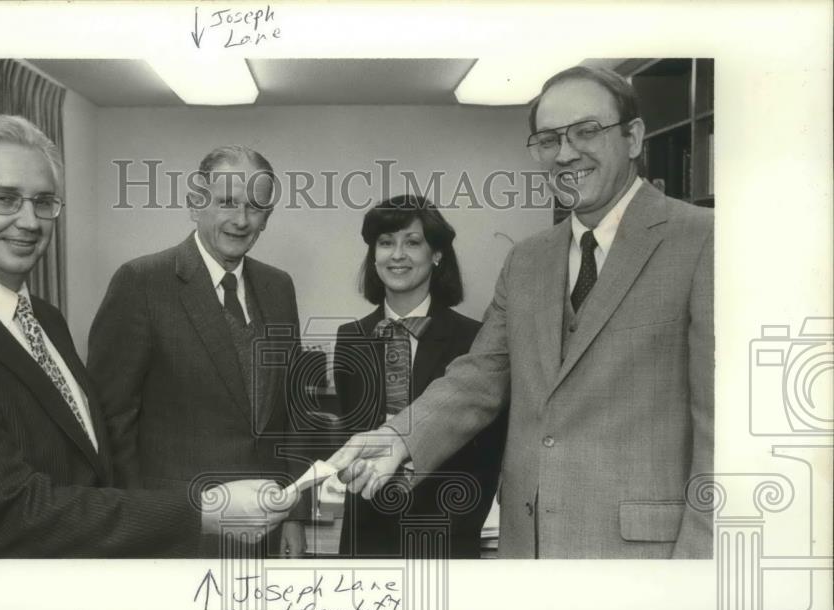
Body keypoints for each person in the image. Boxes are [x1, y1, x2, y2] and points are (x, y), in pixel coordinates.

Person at [332, 66, 714, 559]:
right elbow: (480, 374)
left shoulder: (704, 240)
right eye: (549, 139)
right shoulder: (528, 259)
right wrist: (397, 436)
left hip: (645, 560)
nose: (566, 152)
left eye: (587, 131)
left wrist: (701, 571)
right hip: (528, 553)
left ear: (634, 137)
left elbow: (721, 430)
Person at [0, 115, 293, 558]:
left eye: (44, 201)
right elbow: (10, 510)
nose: (29, 221)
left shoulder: (44, 319)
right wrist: (194, 513)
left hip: (190, 534)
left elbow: (90, 449)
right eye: (4, 199)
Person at [88, 145, 308, 557]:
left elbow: (291, 411)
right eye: (227, 202)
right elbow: (111, 423)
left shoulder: (279, 288)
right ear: (195, 203)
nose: (241, 220)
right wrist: (140, 524)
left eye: (256, 207)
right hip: (177, 533)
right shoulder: (141, 282)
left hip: (266, 529)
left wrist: (294, 513)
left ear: (268, 216)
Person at [334, 196, 504, 558]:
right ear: (373, 255)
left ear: (437, 255)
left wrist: (457, 524)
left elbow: (488, 454)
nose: (397, 255)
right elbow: (352, 433)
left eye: (412, 242)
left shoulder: (477, 340)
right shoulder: (350, 338)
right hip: (366, 536)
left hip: (444, 536)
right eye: (385, 243)